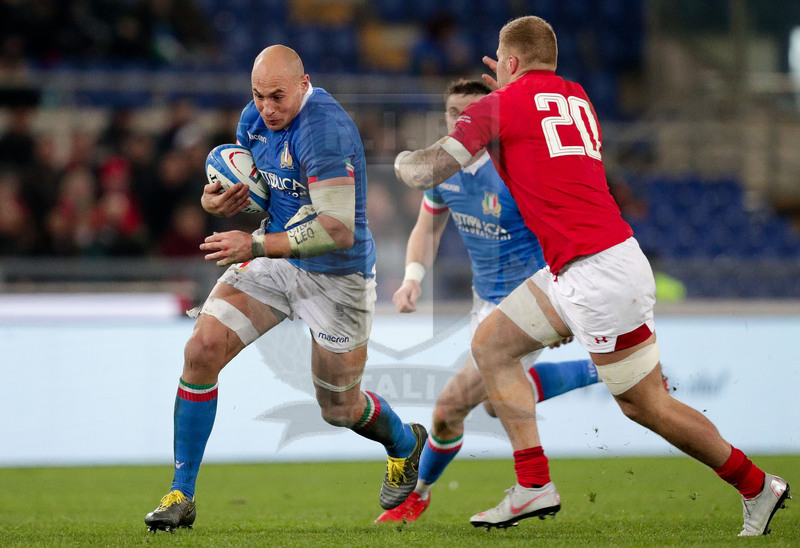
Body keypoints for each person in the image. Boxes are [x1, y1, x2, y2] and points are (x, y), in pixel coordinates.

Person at [393, 16, 790, 537]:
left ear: (508, 62)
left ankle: (756, 486)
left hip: (594, 274)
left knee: (646, 406)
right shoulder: (576, 95)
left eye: (501, 59)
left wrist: (396, 155)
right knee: (491, 345)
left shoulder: (499, 105)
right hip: (590, 263)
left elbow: (425, 171)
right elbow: (534, 134)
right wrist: (502, 102)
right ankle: (533, 484)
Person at [144, 45, 426, 533]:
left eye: (277, 97)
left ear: (303, 84)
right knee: (201, 349)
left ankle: (404, 443)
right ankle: (180, 494)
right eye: (258, 95)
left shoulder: (326, 130)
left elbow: (338, 229)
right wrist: (219, 202)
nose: (267, 108)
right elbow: (264, 196)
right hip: (274, 259)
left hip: (337, 274)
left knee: (339, 408)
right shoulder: (254, 119)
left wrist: (253, 245)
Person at [375, 79, 601, 523]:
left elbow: (563, 230)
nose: (460, 120)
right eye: (452, 112)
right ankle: (597, 370)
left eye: (470, 111)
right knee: (496, 403)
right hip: (487, 303)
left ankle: (415, 497)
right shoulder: (445, 166)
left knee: (447, 410)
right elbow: (428, 228)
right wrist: (413, 278)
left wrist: (558, 310)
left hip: (529, 301)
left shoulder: (517, 166)